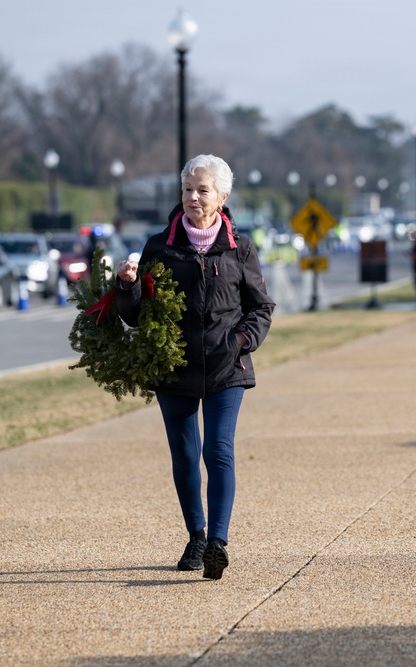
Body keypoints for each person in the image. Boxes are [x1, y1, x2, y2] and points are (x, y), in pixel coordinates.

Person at [115, 154, 274, 580]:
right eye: (188, 189)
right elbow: (135, 314)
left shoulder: (240, 248)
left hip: (227, 368)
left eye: (203, 190)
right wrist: (126, 286)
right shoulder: (159, 246)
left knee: (217, 450)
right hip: (174, 367)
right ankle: (197, 537)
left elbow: (261, 309)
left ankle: (218, 543)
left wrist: (239, 341)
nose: (193, 197)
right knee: (185, 455)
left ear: (222, 197)